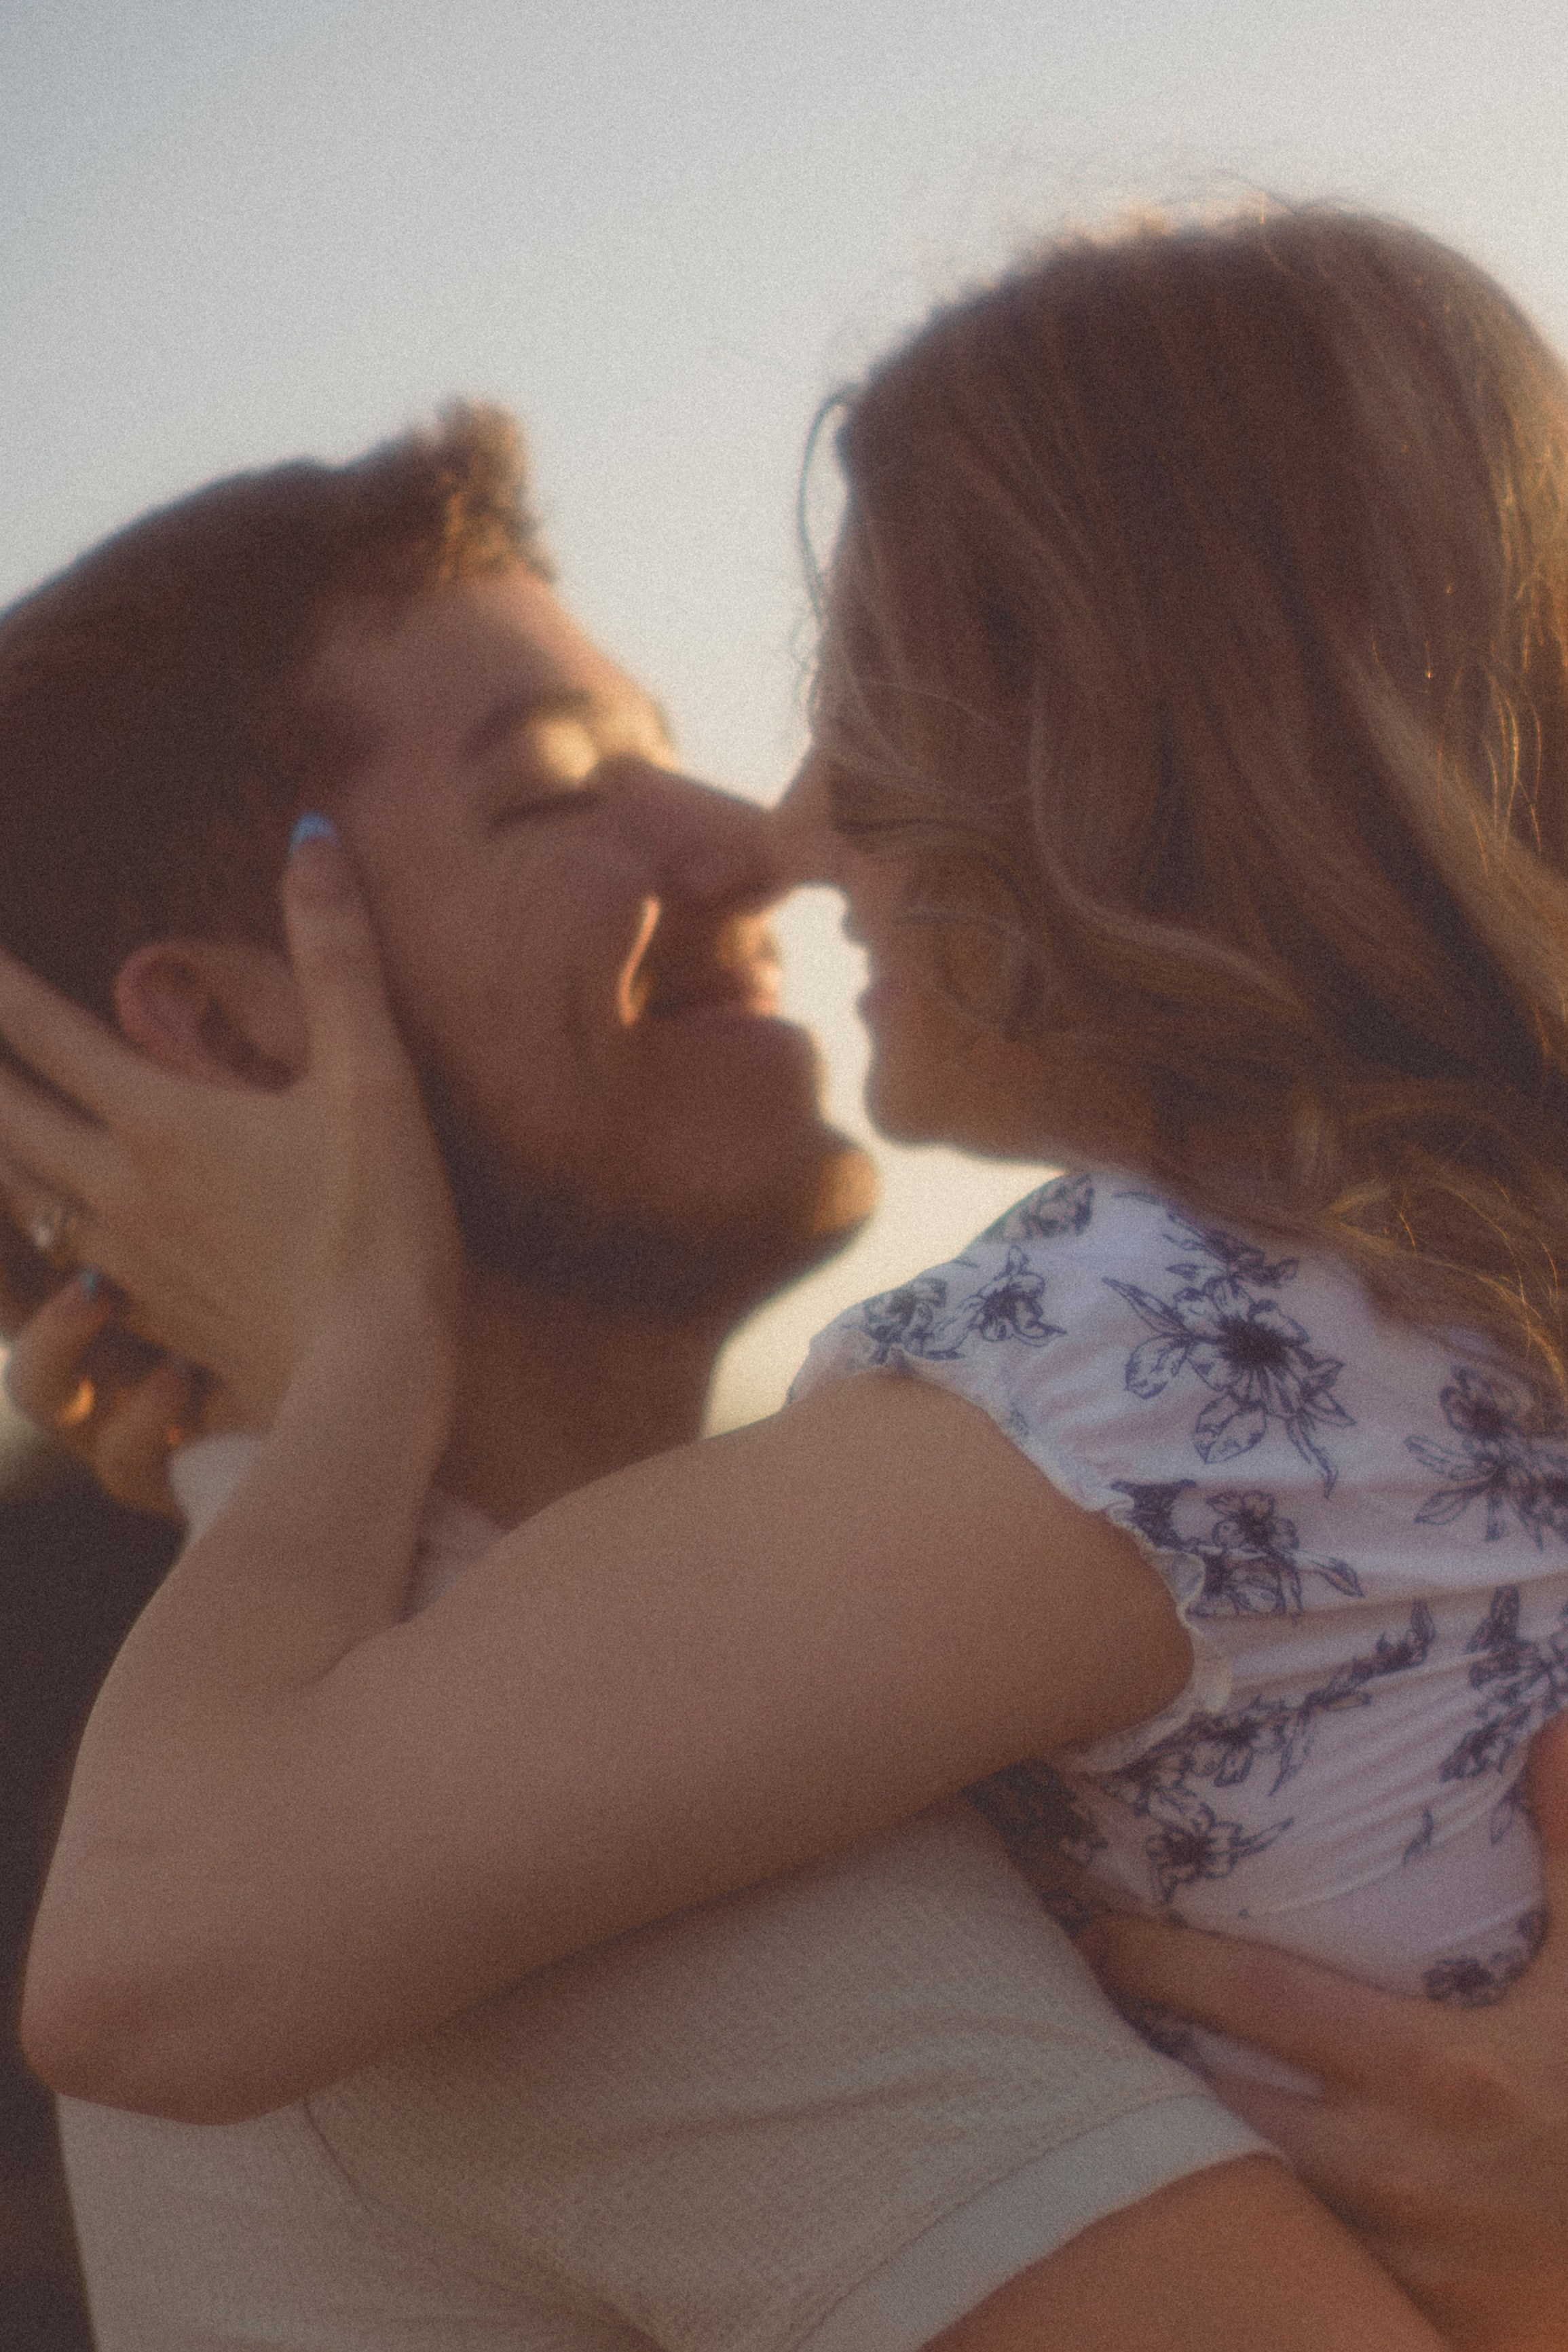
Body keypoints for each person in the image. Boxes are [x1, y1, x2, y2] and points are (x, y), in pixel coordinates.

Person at [0, 411, 1404, 2352]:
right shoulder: (486, 1873)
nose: (740, 834)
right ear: (234, 1025)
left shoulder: (545, 1719)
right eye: (559, 789)